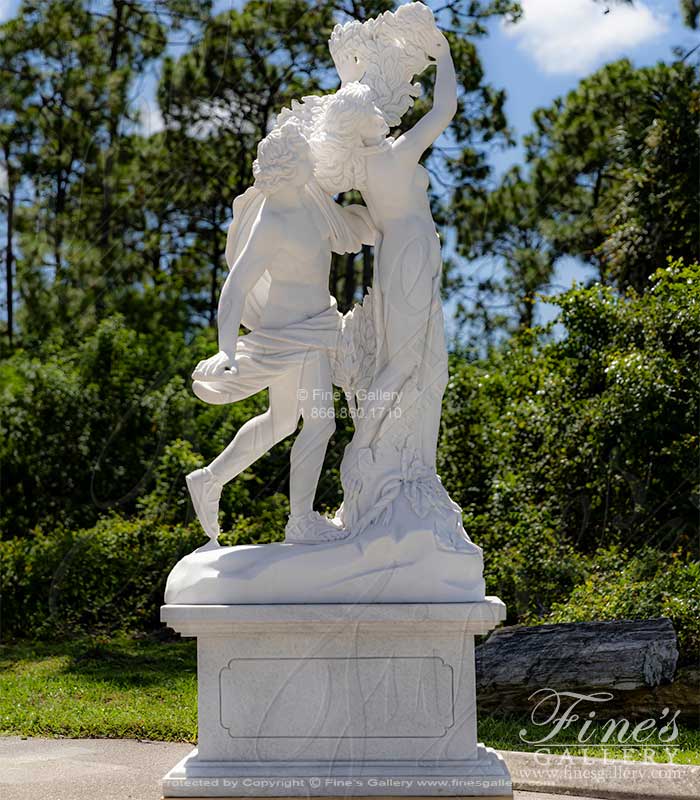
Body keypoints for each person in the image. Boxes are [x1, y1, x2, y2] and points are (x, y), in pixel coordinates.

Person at [186, 121, 374, 546]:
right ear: (290, 168)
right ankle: (301, 520)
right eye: (306, 157)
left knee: (283, 420)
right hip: (293, 335)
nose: (313, 162)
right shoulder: (271, 219)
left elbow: (347, 226)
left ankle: (210, 479)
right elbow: (234, 286)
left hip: (316, 325)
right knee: (321, 424)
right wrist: (226, 350)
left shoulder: (309, 198)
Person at [312, 34, 457, 532]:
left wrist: (348, 76)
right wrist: (443, 57)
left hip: (401, 254)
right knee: (408, 365)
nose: (383, 111)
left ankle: (388, 451)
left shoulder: (362, 164)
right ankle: (363, 447)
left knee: (411, 365)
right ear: (368, 122)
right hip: (412, 252)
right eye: (374, 108)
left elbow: (347, 106)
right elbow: (444, 109)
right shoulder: (396, 154)